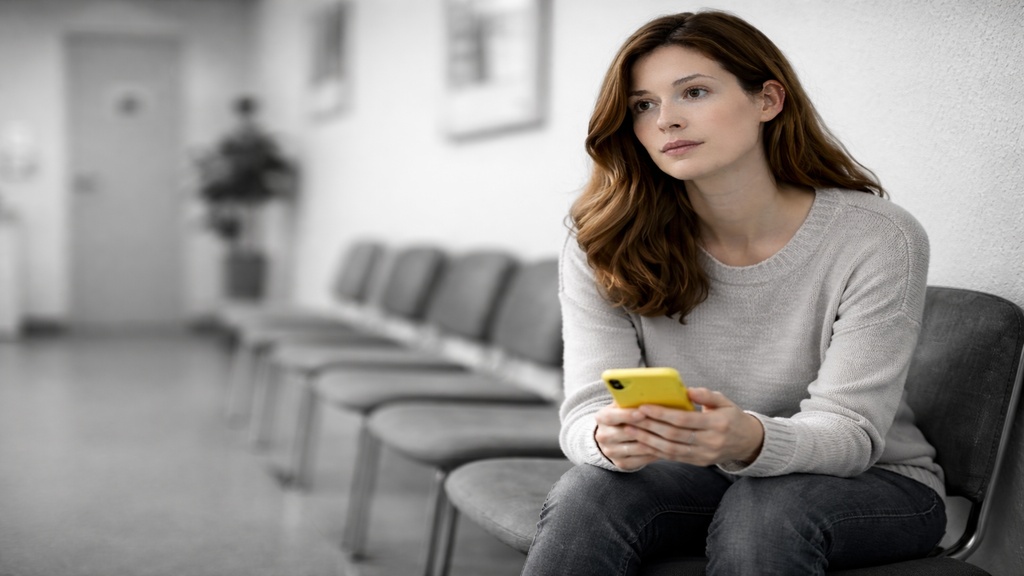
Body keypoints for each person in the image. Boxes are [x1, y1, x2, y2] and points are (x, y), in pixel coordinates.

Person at [522, 10, 946, 576]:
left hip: (872, 481)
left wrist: (746, 438)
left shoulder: (877, 237)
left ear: (768, 100)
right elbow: (586, 412)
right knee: (588, 492)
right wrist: (604, 439)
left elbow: (852, 433)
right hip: (700, 474)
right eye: (643, 105)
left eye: (692, 92)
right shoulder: (603, 237)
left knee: (767, 508)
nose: (666, 120)